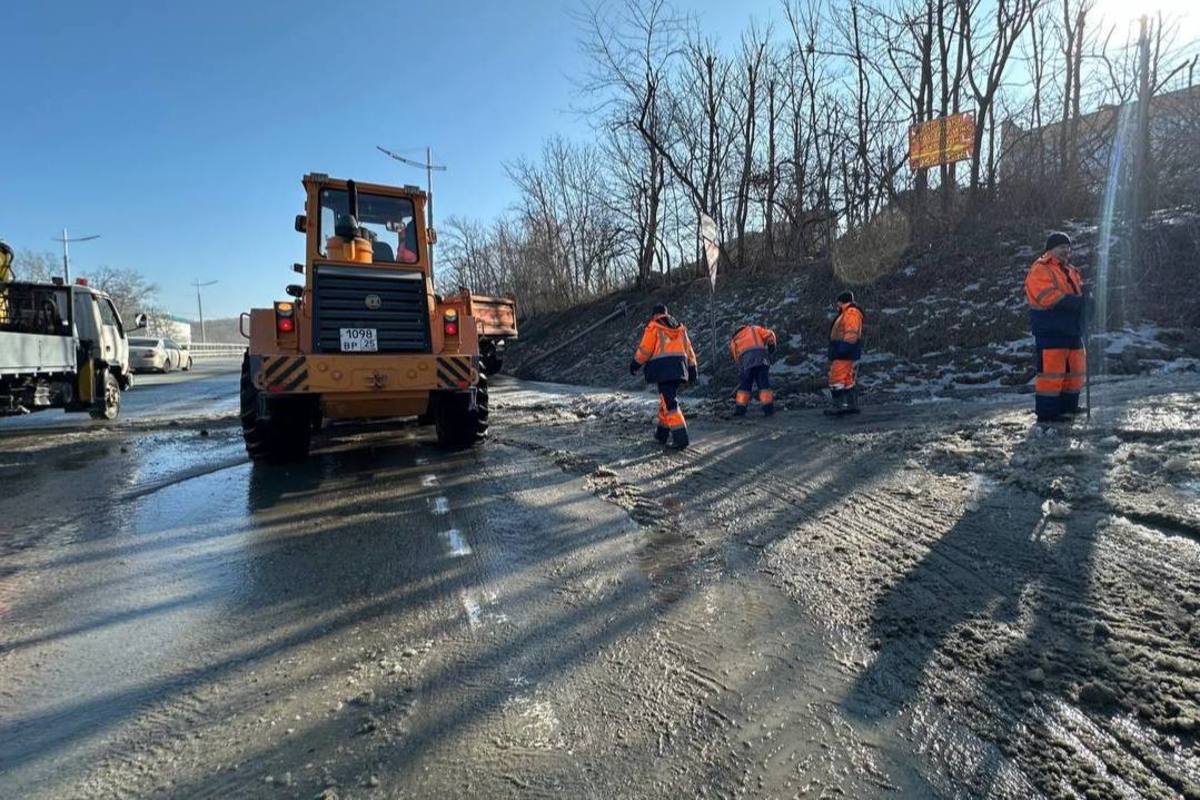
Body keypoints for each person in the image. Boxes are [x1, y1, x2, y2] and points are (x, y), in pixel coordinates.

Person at [1025, 232, 1087, 422]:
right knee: (1052, 373)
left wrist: (1086, 303)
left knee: (1074, 370)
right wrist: (1077, 302)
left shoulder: (1071, 270)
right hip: (1050, 329)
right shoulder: (1040, 269)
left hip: (1072, 328)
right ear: (1050, 249)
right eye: (1061, 247)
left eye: (1068, 247)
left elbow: (1078, 295)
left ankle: (1069, 407)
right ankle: (1048, 413)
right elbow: (1046, 296)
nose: (1066, 251)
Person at [630, 303, 698, 449]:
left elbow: (645, 350)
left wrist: (635, 364)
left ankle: (681, 438)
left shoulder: (654, 327)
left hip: (662, 369)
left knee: (670, 403)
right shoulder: (680, 328)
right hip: (679, 368)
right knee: (666, 400)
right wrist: (693, 369)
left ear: (655, 315)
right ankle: (662, 434)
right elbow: (689, 350)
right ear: (666, 313)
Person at [825, 291, 863, 416]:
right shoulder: (849, 312)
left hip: (844, 350)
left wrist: (844, 348)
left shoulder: (850, 313)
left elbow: (851, 332)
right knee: (847, 380)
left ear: (841, 301)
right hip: (846, 350)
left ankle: (837, 407)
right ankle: (852, 405)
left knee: (836, 378)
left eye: (838, 302)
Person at [729, 323, 778, 416]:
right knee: (764, 384)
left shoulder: (734, 340)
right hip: (761, 357)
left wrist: (741, 371)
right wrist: (771, 346)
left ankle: (740, 410)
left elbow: (736, 357)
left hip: (746, 361)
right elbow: (769, 334)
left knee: (745, 386)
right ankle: (768, 409)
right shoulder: (754, 329)